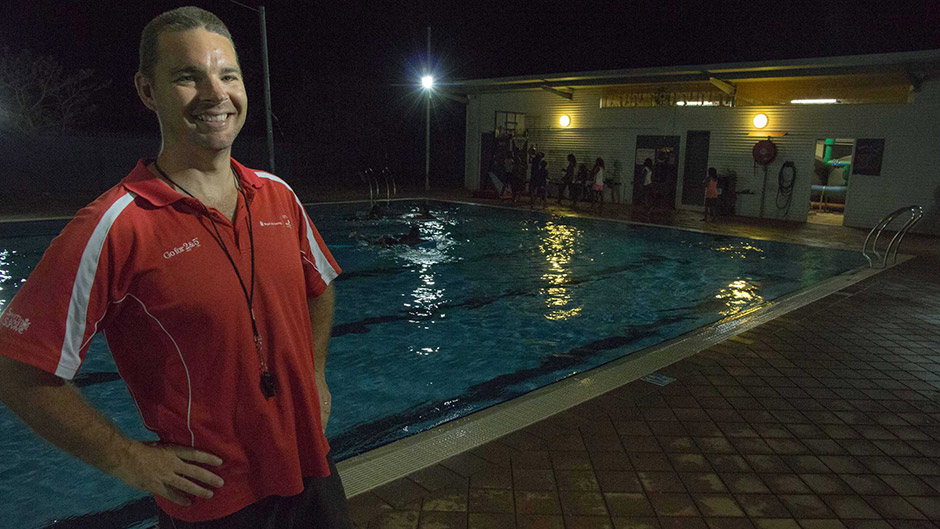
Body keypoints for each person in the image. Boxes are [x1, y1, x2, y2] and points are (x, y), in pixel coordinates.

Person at [0, 7, 351, 528]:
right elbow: (17, 367)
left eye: (227, 75)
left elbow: (318, 289)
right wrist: (129, 460)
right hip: (215, 502)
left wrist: (316, 376)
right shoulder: (116, 225)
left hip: (313, 474)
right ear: (147, 90)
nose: (216, 93)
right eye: (188, 77)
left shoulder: (279, 196)